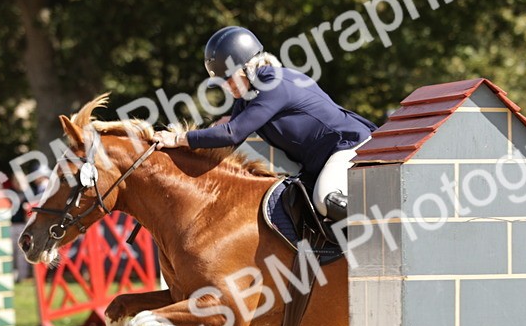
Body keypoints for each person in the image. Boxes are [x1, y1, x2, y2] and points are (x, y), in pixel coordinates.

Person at [153, 26, 375, 221]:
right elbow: (226, 142)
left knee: (324, 199)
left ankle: (387, 224)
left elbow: (232, 133)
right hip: (319, 162)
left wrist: (178, 138)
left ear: (247, 67)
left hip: (351, 146)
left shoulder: (275, 84)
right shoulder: (249, 96)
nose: (225, 86)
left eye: (228, 78)